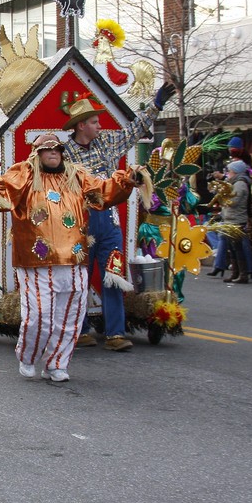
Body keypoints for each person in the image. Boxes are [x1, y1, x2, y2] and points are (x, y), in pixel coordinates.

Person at [0, 133, 141, 382]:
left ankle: (56, 364)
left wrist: (126, 180)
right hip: (36, 261)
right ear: (37, 153)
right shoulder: (24, 174)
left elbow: (103, 191)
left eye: (58, 149)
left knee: (70, 317)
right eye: (47, 149)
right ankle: (28, 356)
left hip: (74, 260)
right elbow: (3, 189)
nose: (53, 152)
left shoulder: (76, 175)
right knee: (39, 316)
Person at [61, 83, 173, 351]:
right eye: (94, 122)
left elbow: (135, 130)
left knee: (113, 273)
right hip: (81, 222)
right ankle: (81, 329)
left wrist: (156, 105)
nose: (99, 126)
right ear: (81, 126)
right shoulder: (65, 154)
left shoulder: (108, 142)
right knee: (80, 278)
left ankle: (115, 332)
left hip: (109, 221)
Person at [220, 160, 252, 283]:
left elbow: (233, 202)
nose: (228, 174)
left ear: (235, 172)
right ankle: (235, 273)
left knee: (237, 247)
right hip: (230, 218)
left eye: (230, 171)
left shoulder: (239, 184)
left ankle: (242, 274)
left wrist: (223, 196)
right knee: (231, 247)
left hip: (236, 219)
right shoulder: (233, 183)